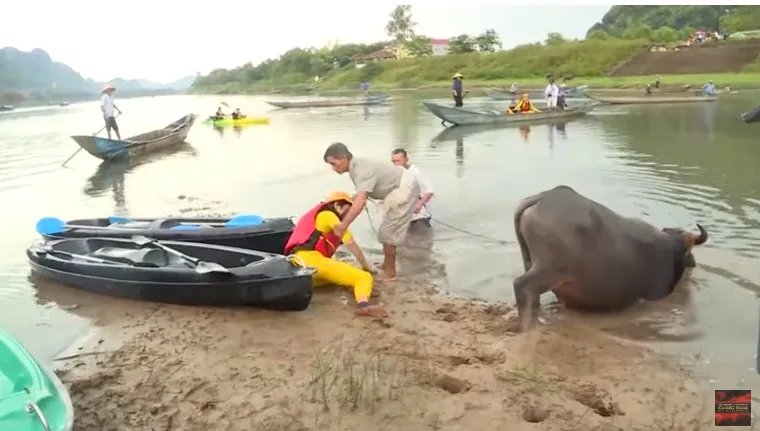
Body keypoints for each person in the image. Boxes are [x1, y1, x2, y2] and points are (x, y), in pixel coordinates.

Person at [323, 142, 420, 281]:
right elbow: (360, 196)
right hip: (394, 189)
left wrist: (343, 226)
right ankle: (387, 265)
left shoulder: (361, 170)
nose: (333, 168)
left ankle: (390, 275)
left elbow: (361, 201)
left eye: (333, 163)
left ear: (344, 157)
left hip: (405, 189)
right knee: (387, 231)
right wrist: (343, 204)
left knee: (387, 233)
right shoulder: (355, 168)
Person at [284, 191, 385, 317]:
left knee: (339, 276)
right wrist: (366, 267)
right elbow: (350, 243)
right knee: (363, 277)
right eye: (348, 210)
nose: (349, 216)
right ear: (337, 205)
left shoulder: (319, 217)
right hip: (312, 261)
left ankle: (354, 287)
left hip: (301, 265)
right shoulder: (328, 215)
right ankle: (363, 305)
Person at [390, 148, 434, 227]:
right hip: (406, 217)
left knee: (420, 238)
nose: (396, 164)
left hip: (420, 217)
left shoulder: (415, 172)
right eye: (393, 161)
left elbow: (430, 191)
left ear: (406, 159)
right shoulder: (398, 173)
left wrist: (419, 204)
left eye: (398, 161)